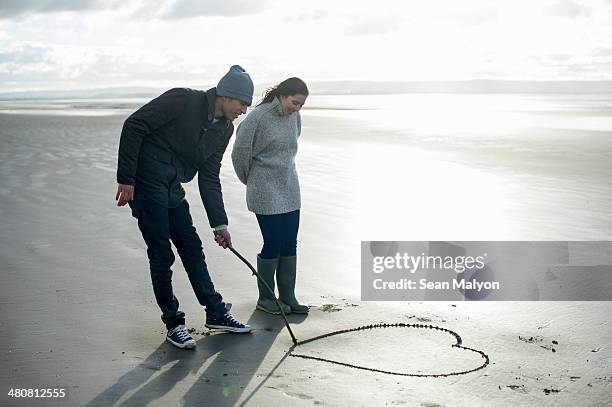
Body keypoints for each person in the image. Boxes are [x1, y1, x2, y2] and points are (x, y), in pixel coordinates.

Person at [116, 65, 253, 349]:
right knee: (161, 254)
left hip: (172, 189)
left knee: (191, 248)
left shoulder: (224, 129)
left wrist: (220, 224)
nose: (244, 110)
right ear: (226, 96)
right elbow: (134, 125)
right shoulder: (182, 100)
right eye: (242, 103)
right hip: (145, 184)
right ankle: (174, 323)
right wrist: (126, 179)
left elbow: (209, 176)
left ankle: (215, 312)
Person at [231, 77, 309, 315]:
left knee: (290, 242)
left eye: (301, 105)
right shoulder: (258, 117)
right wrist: (253, 181)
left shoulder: (294, 117)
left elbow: (291, 148)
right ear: (282, 95)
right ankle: (266, 299)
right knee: (273, 242)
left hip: (289, 187)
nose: (296, 109)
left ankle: (288, 297)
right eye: (294, 102)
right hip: (264, 189)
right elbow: (240, 154)